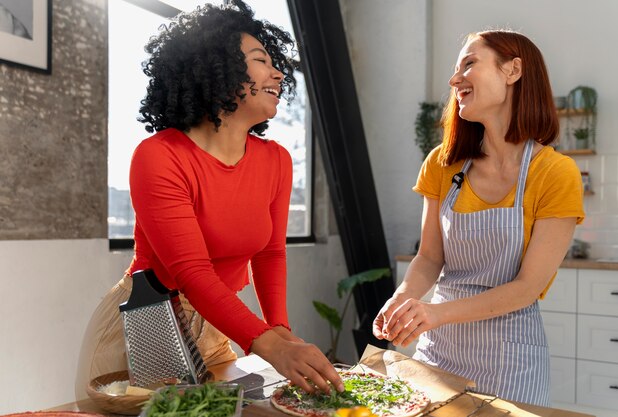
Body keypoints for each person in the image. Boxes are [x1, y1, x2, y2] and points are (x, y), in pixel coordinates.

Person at [76, 0, 343, 398]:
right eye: (260, 60)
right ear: (217, 69)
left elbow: (270, 253)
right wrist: (267, 345)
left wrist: (280, 331)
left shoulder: (276, 161)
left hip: (216, 323)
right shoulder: (159, 156)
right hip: (143, 327)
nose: (277, 72)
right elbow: (192, 273)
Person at [373, 30, 584, 406]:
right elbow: (430, 257)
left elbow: (526, 287)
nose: (455, 80)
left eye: (469, 64)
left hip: (510, 360)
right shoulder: (443, 163)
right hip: (438, 351)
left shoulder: (554, 172)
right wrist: (402, 300)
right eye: (455, 70)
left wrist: (435, 313)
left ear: (513, 70)